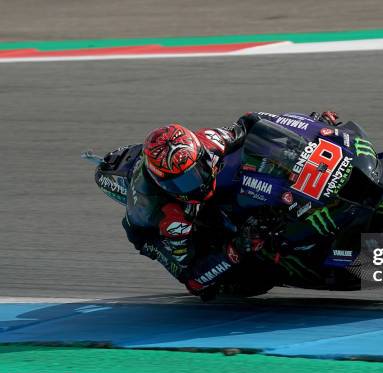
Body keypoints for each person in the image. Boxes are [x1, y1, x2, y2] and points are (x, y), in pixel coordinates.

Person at [122, 111, 341, 297]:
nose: (196, 183)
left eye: (199, 170)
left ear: (202, 154)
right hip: (152, 234)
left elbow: (251, 120)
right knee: (247, 280)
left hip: (209, 193)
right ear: (164, 185)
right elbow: (192, 278)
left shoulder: (212, 141)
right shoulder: (171, 218)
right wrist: (234, 249)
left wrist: (310, 125)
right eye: (184, 182)